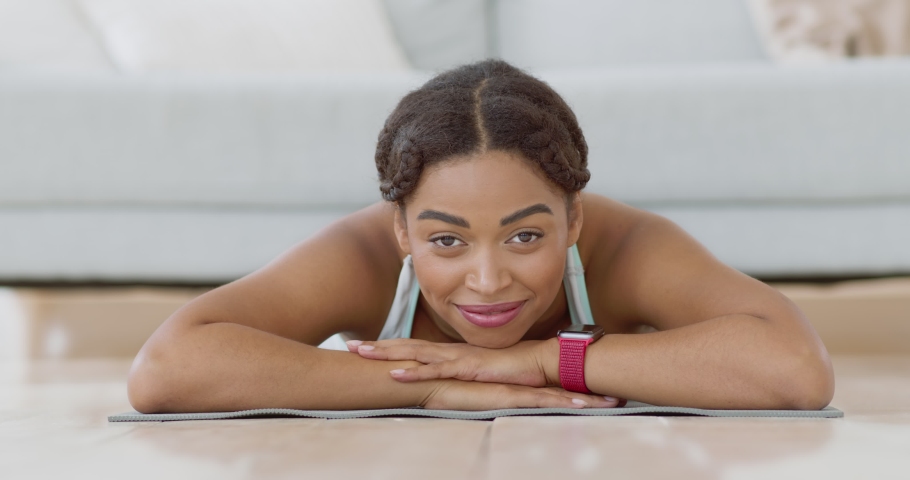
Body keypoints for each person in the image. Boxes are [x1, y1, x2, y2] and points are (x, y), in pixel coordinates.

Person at [127, 59, 834, 413]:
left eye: (526, 237)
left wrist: (542, 363)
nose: (489, 281)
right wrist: (428, 389)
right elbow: (166, 369)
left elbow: (793, 368)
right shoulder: (363, 252)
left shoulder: (624, 246)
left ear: (574, 219)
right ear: (401, 228)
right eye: (446, 242)